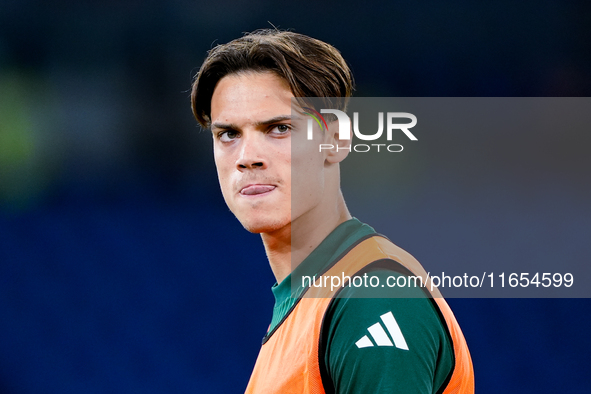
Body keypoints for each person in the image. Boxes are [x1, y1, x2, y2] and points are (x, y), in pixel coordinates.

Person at [190, 29, 474, 394]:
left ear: (336, 140)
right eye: (228, 134)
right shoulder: (316, 299)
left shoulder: (371, 298)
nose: (247, 157)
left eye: (278, 128)